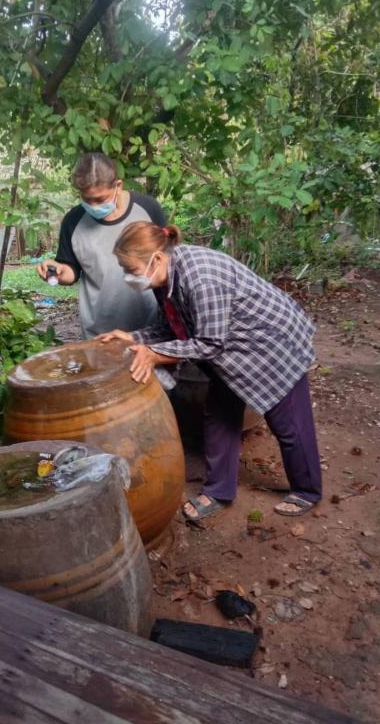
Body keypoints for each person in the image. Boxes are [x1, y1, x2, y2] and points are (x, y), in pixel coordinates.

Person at [99, 221, 322, 519]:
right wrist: (133, 338)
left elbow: (210, 343)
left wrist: (154, 355)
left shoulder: (201, 276)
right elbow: (172, 327)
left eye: (132, 270)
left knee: (289, 425)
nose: (129, 277)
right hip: (235, 351)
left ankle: (307, 491)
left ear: (156, 258)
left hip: (272, 345)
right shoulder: (163, 278)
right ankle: (219, 490)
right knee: (219, 417)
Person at [37, 153, 166, 338]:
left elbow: (167, 264)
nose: (93, 206)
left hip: (152, 327)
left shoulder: (148, 209)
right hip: (98, 331)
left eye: (100, 199)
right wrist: (57, 271)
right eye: (87, 199)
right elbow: (71, 271)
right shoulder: (73, 221)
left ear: (118, 186)